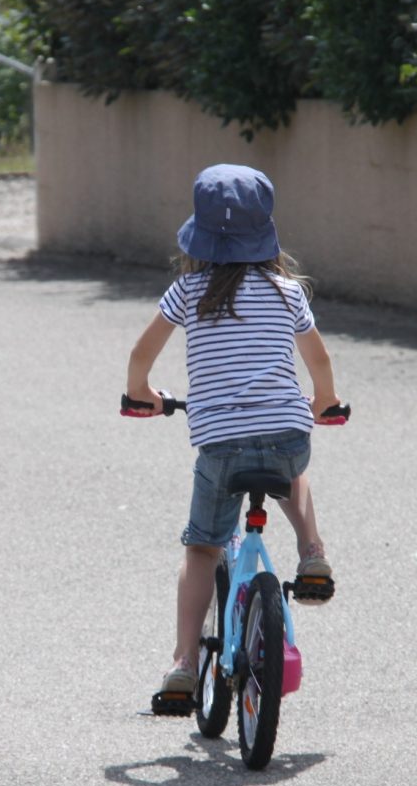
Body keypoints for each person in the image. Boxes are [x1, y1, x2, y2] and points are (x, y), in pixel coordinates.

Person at [125, 163, 341, 694]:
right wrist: (325, 403)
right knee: (294, 470)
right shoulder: (288, 291)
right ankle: (312, 551)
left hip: (220, 445)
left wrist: (142, 394)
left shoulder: (188, 290)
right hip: (287, 433)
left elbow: (141, 355)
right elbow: (320, 363)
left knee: (202, 548)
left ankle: (182, 664)